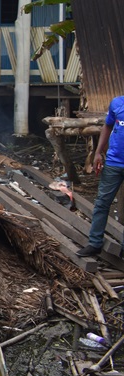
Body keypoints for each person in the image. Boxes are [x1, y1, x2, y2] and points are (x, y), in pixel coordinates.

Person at [77, 96, 124, 257]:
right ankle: (95, 243)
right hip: (113, 163)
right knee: (102, 203)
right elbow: (107, 126)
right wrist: (98, 152)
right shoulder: (117, 103)